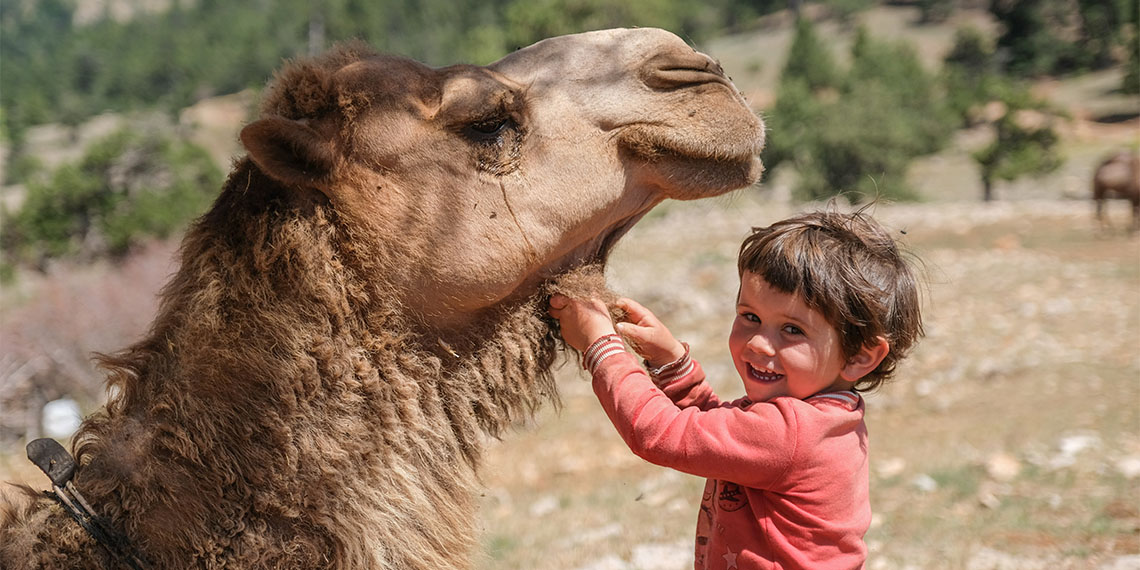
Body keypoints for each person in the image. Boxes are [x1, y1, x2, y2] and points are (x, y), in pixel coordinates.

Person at [549, 209, 924, 569]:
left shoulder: (791, 433)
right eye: (750, 317)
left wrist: (601, 345)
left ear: (860, 356)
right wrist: (672, 364)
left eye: (792, 330)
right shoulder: (821, 416)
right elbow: (720, 432)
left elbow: (659, 434)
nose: (759, 343)